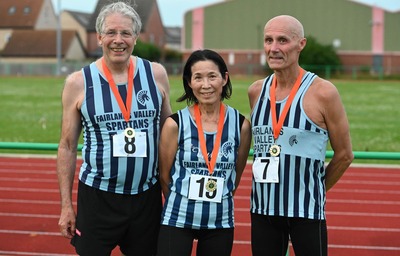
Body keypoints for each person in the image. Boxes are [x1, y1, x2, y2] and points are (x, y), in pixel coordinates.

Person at [56, 2, 172, 256]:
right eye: (110, 32)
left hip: (146, 196)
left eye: (125, 33)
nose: (118, 40)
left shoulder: (156, 75)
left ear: (136, 38)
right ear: (98, 37)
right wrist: (66, 205)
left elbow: (169, 135)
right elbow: (66, 146)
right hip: (98, 198)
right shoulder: (78, 82)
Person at [248, 15, 354, 256]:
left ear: (301, 44)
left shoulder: (323, 92)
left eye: (282, 40)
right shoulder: (256, 91)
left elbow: (345, 154)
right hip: (263, 210)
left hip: (306, 212)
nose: (273, 48)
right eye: (268, 40)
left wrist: (315, 189)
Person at [157, 49, 251, 256]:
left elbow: (236, 174)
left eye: (212, 76)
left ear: (224, 79)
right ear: (189, 82)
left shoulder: (241, 126)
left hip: (220, 221)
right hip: (178, 217)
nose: (206, 85)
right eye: (198, 77)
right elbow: (164, 176)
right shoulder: (175, 124)